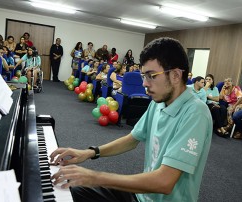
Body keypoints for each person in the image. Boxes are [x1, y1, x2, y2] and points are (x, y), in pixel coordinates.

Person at [50, 37, 213, 202]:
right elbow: (132, 139)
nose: (144, 83)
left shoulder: (196, 113)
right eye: (144, 76)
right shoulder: (159, 102)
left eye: (151, 76)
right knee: (71, 192)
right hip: (142, 195)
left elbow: (164, 182)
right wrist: (90, 152)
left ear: (176, 75)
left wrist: (95, 177)